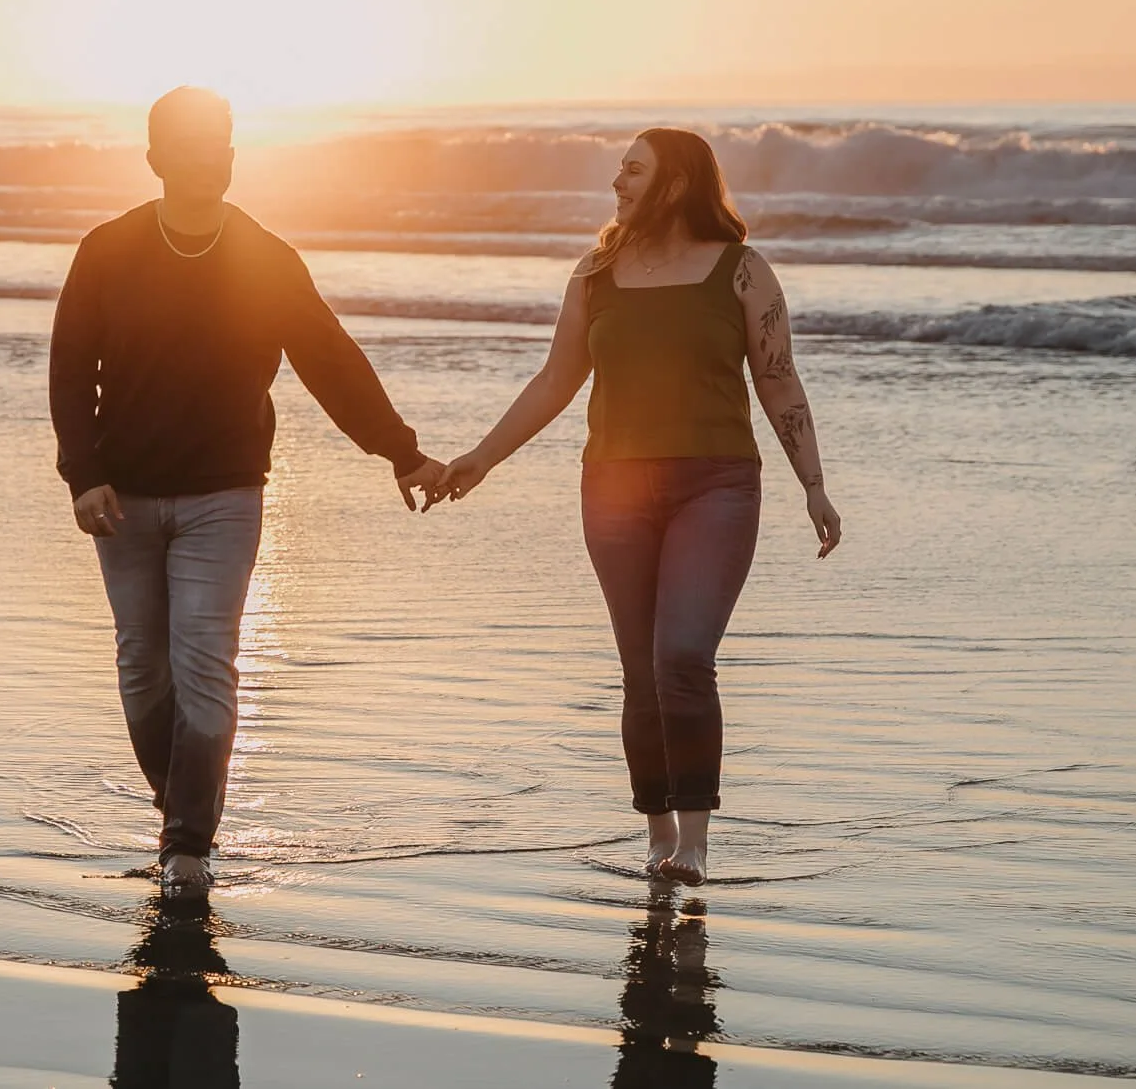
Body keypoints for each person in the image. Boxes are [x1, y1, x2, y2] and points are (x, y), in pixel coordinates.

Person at [50, 86, 446, 899]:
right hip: (120, 499)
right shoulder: (109, 249)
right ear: (158, 157)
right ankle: (182, 814)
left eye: (226, 140)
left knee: (204, 663)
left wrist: (399, 451)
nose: (217, 156)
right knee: (139, 668)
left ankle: (187, 846)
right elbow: (68, 367)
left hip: (224, 493)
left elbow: (328, 358)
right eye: (197, 144)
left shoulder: (265, 256)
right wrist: (83, 474)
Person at [432, 128, 841, 885]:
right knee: (640, 668)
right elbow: (556, 380)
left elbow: (778, 379)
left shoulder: (743, 272)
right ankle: (656, 832)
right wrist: (482, 458)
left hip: (716, 484)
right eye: (618, 168)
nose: (616, 181)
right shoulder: (597, 272)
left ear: (677, 184)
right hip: (613, 484)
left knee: (683, 655)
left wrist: (812, 482)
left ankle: (696, 838)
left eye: (633, 170)